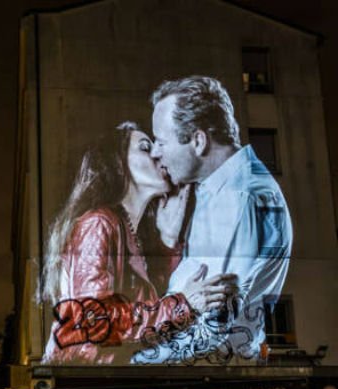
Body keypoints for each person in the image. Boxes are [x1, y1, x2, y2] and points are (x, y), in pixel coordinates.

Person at [41, 122, 237, 365]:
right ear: (118, 163)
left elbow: (149, 302)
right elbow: (95, 320)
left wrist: (167, 238)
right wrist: (183, 305)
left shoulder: (131, 232)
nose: (157, 153)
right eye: (145, 148)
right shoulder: (98, 224)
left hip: (118, 375)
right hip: (88, 377)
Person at [132, 76, 292, 364]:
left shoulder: (238, 199)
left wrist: (135, 363)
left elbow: (213, 326)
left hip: (210, 379)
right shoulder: (217, 190)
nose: (156, 152)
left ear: (198, 140)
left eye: (162, 142)